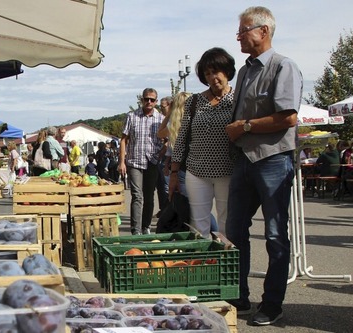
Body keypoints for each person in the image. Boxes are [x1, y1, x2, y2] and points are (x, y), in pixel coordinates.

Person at [224, 6, 303, 325]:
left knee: (274, 234)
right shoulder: (244, 72)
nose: (239, 36)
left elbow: (288, 117)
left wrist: (244, 127)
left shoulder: (284, 66)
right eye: (239, 31)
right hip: (244, 160)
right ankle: (239, 297)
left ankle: (272, 303)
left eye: (244, 30)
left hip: (273, 160)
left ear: (264, 31)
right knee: (234, 231)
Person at [170, 47, 236, 238]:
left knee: (226, 220)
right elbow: (182, 139)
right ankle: (204, 263)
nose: (212, 77)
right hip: (196, 170)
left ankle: (225, 261)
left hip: (227, 170)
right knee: (198, 223)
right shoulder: (194, 102)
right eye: (207, 73)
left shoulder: (238, 98)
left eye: (216, 71)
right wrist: (174, 173)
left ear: (227, 71)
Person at [118, 88, 165, 235]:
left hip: (152, 161)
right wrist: (122, 162)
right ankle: (135, 230)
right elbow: (124, 139)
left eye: (152, 99)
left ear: (156, 101)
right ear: (142, 100)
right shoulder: (132, 116)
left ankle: (146, 227)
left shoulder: (161, 119)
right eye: (146, 99)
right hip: (134, 161)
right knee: (137, 196)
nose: (149, 102)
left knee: (149, 196)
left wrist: (160, 155)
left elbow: (167, 141)